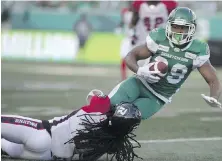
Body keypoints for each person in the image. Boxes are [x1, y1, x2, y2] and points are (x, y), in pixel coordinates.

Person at [108, 7, 222, 120]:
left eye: (183, 28)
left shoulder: (197, 50)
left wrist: (214, 97)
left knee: (126, 118)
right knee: (106, 106)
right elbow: (131, 56)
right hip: (139, 83)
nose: (178, 31)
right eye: (175, 27)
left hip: (158, 97)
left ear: (191, 29)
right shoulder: (160, 37)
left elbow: (213, 80)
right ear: (169, 26)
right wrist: (139, 70)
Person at [1, 90, 142, 161]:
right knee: (6, 147)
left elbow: (94, 95)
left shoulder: (100, 108)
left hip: (43, 133)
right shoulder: (112, 144)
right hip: (49, 156)